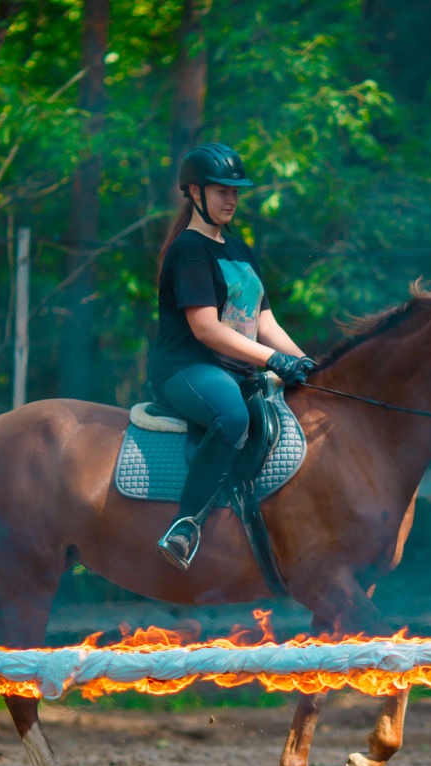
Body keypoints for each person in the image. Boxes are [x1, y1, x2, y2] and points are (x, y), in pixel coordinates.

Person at [148, 142, 315, 571]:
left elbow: (266, 323)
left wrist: (307, 363)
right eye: (221, 190)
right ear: (195, 193)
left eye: (236, 190)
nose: (231, 198)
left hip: (236, 369)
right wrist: (273, 361)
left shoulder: (239, 249)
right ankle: (185, 525)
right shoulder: (189, 250)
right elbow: (206, 328)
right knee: (233, 417)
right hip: (188, 368)